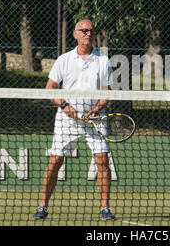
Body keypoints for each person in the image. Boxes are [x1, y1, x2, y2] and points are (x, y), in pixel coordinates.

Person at [34, 19, 115, 220]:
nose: (88, 33)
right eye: (84, 30)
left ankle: (105, 208)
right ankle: (43, 206)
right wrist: (65, 106)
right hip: (66, 120)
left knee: (102, 160)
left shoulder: (103, 61)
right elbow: (50, 89)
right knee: (55, 161)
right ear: (75, 34)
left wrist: (96, 110)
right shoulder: (64, 60)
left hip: (95, 120)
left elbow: (107, 94)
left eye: (91, 31)